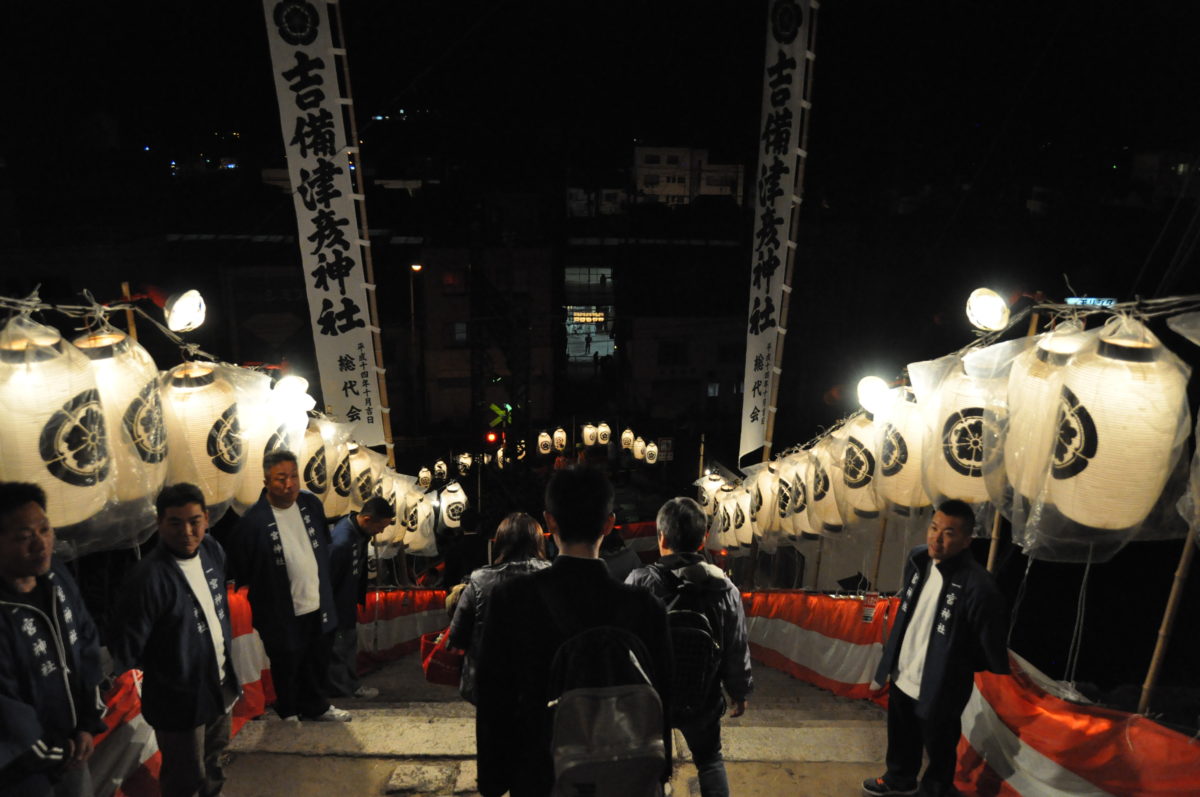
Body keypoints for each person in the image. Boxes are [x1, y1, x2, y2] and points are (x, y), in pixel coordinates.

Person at [474, 466, 673, 797]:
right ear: (609, 524)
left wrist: (493, 781)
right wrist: (658, 771)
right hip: (625, 775)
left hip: (540, 774)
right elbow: (663, 696)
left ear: (549, 522)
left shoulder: (511, 600)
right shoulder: (646, 608)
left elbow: (494, 699)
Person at [863, 500, 1009, 797]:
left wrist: (957, 664)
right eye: (933, 528)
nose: (936, 538)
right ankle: (899, 778)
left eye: (949, 533)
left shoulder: (979, 585)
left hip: (943, 682)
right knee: (901, 733)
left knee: (940, 744)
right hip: (905, 668)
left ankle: (935, 790)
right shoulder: (919, 560)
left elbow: (989, 642)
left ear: (968, 540)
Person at [110, 483, 240, 797]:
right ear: (159, 523)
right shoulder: (147, 577)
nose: (187, 531)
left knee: (214, 761)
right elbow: (126, 647)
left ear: (207, 518)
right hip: (179, 700)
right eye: (175, 522)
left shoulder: (212, 550)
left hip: (219, 685)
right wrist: (172, 666)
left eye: (194, 520)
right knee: (185, 778)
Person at [626, 496, 753, 797]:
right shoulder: (725, 588)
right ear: (703, 538)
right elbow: (736, 646)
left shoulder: (639, 583)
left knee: (648, 768)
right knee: (710, 761)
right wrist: (739, 691)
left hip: (651, 700)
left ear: (661, 536)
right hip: (703, 697)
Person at [0, 482, 106, 797]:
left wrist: (88, 722)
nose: (41, 543)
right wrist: (60, 749)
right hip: (20, 769)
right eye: (23, 537)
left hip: (74, 746)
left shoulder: (56, 577)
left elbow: (86, 643)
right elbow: (6, 707)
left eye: (45, 530)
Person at [228, 450, 348, 722]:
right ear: (266, 481)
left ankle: (317, 706)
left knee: (318, 658)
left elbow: (324, 545)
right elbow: (242, 567)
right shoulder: (253, 522)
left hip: (317, 600)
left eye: (293, 476)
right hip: (280, 609)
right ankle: (289, 710)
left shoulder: (310, 504)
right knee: (286, 661)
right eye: (281, 478)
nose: (289, 484)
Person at [447, 512, 551, 704]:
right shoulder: (553, 577)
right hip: (539, 682)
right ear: (538, 542)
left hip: (488, 683)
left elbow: (458, 636)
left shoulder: (480, 579)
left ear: (500, 542)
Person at [327, 496, 395, 699]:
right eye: (380, 526)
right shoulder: (342, 540)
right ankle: (343, 691)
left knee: (347, 646)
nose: (381, 532)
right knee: (339, 648)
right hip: (336, 606)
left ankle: (349, 686)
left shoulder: (358, 533)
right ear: (367, 519)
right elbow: (328, 579)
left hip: (346, 603)